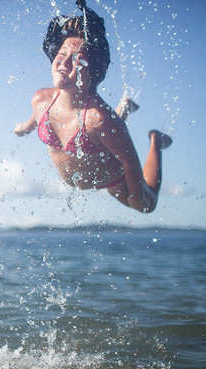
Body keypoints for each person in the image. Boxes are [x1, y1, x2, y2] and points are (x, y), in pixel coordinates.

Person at [13, 0, 172, 213]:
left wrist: (137, 197)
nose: (64, 63)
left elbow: (130, 163)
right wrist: (24, 128)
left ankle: (156, 141)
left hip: (112, 179)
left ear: (94, 71)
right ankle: (124, 107)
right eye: (61, 56)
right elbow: (36, 118)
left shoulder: (101, 120)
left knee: (145, 206)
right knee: (96, 129)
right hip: (96, 132)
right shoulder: (41, 100)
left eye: (77, 60)